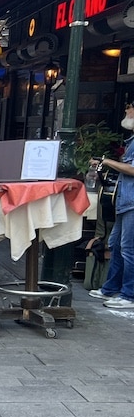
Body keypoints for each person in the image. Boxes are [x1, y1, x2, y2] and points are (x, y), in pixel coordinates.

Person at [90, 106, 134, 308]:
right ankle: (111, 288)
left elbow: (132, 169)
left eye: (130, 109)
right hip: (126, 200)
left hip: (132, 201)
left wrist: (107, 161)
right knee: (116, 245)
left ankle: (129, 294)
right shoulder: (131, 141)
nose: (126, 111)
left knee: (128, 248)